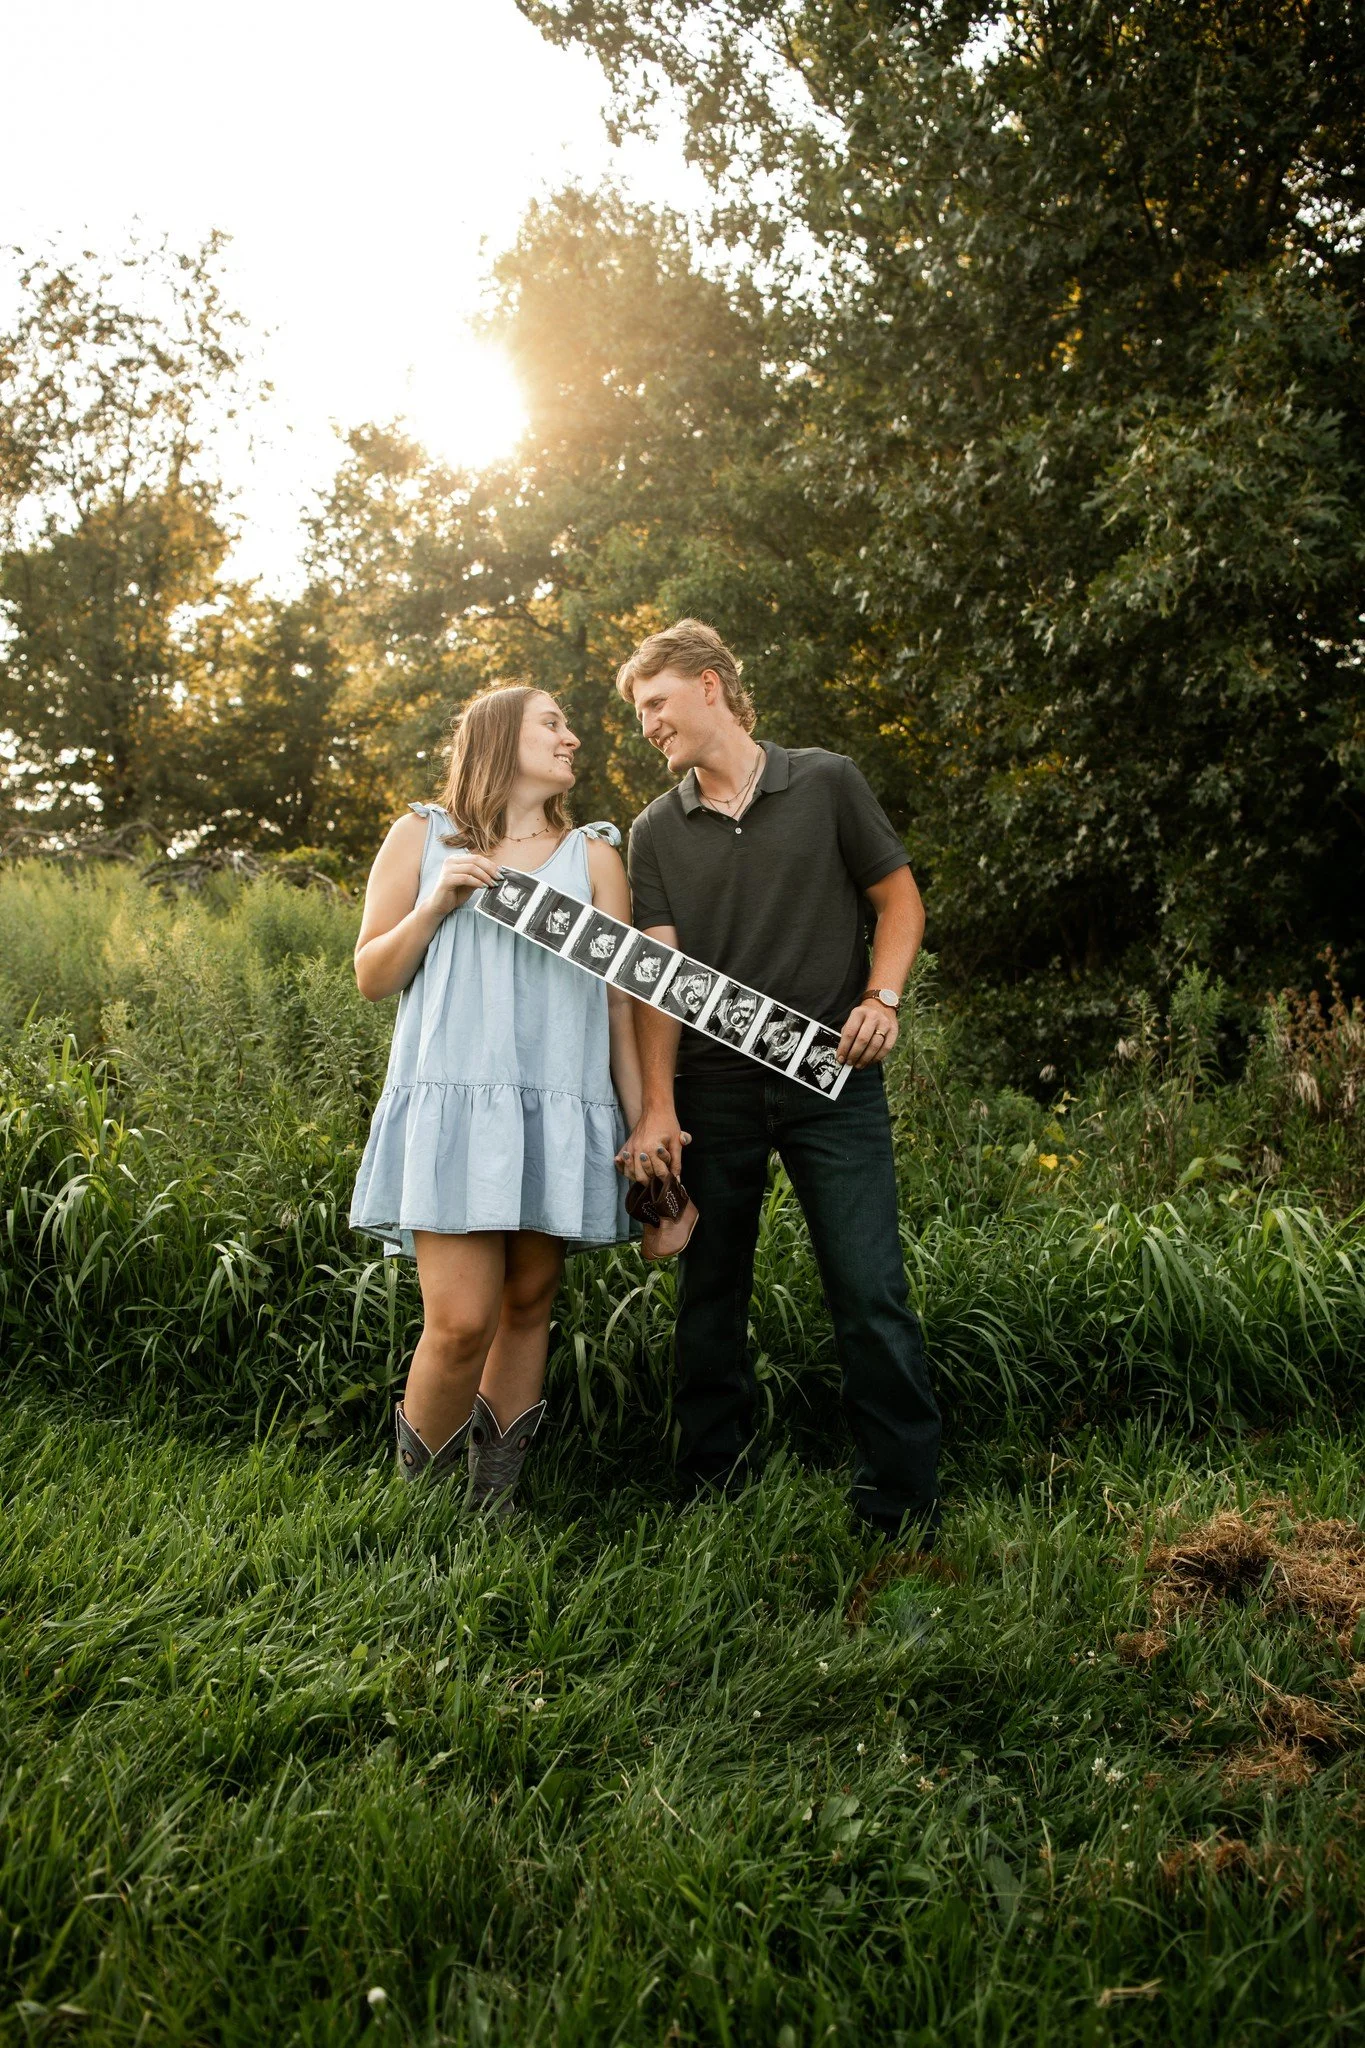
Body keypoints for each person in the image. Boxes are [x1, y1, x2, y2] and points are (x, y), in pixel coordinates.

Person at [616, 619, 941, 1544]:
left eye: (656, 703)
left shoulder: (826, 781)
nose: (647, 725)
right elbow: (655, 985)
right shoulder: (654, 831)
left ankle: (902, 1503)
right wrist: (660, 1106)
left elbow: (898, 901)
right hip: (713, 1092)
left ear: (710, 685)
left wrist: (884, 996)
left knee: (867, 1285)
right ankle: (711, 1489)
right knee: (709, 1291)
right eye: (640, 712)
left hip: (830, 1078)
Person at [349, 683, 642, 1512]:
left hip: (558, 1102)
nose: (572, 738)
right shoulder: (423, 835)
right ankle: (414, 1512)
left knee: (525, 1305)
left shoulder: (594, 857)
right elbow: (372, 976)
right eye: (553, 723)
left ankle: (492, 1506)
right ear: (498, 734)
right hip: (455, 1104)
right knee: (460, 1320)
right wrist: (437, 903)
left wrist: (642, 1116)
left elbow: (619, 1001)